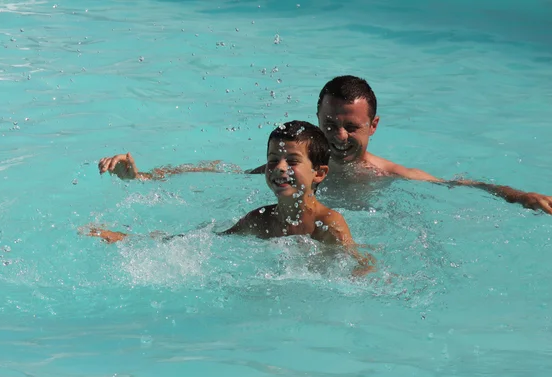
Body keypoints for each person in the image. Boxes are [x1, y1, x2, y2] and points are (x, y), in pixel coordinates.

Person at [97, 75, 552, 214]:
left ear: (373, 126)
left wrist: (516, 195)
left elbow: (459, 185)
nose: (338, 135)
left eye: (351, 128)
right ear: (317, 118)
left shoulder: (388, 175)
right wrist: (140, 176)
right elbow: (214, 173)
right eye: (330, 123)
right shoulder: (292, 164)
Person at [87, 121, 376, 277]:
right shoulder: (260, 220)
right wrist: (128, 239)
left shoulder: (329, 224)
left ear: (320, 173)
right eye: (273, 160)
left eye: (292, 161)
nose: (280, 168)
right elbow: (198, 242)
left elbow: (361, 264)